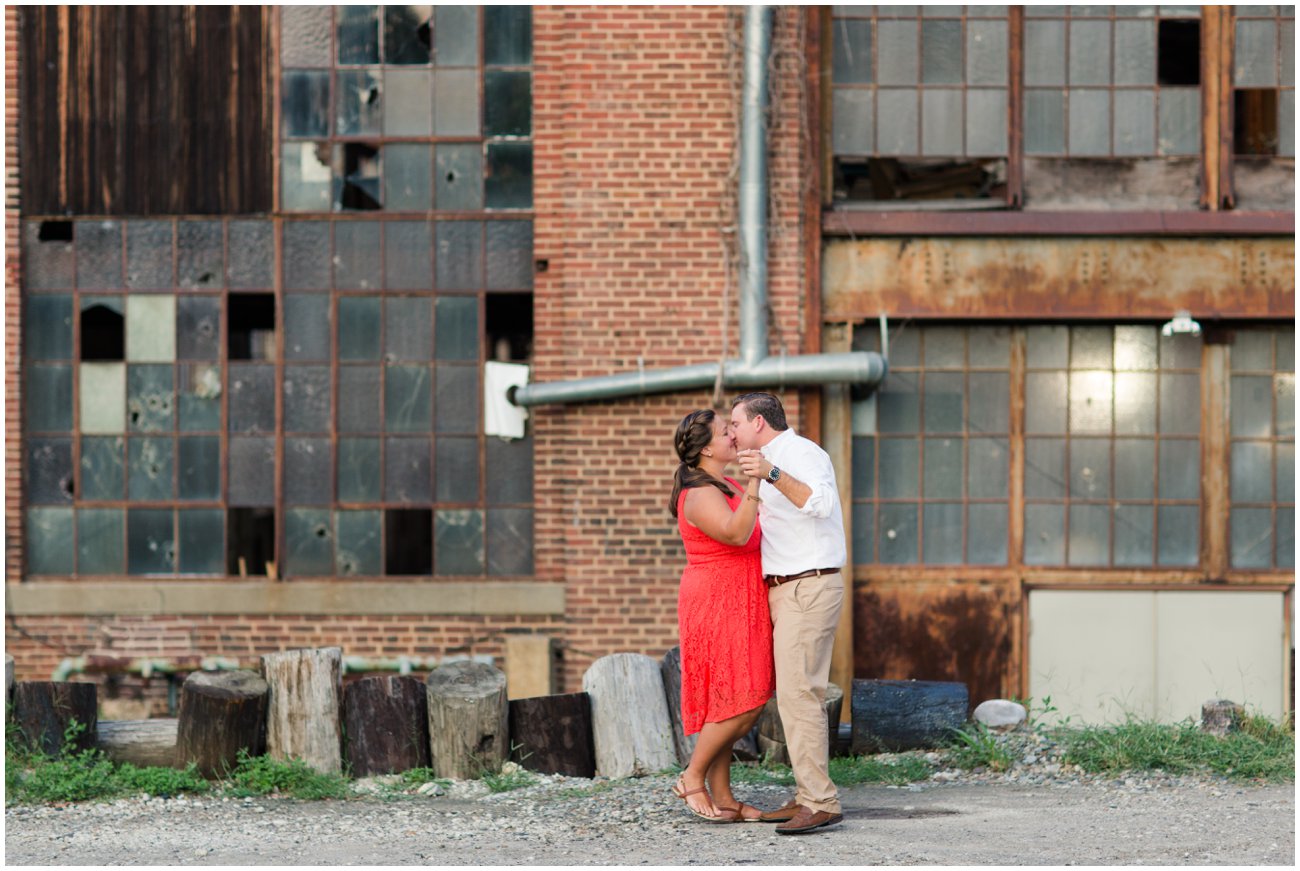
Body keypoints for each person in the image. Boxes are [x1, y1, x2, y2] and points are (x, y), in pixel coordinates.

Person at [731, 392, 846, 835]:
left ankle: (821, 802)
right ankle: (806, 793)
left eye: (737, 423)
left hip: (808, 585)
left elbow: (821, 503)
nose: (733, 432)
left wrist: (771, 473)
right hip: (785, 588)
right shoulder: (762, 461)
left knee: (801, 696)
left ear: (759, 423)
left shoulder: (802, 454)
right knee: (795, 696)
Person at [669, 408, 775, 823]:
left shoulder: (722, 482)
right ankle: (692, 777)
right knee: (745, 698)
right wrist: (755, 480)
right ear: (706, 448)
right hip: (717, 600)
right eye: (724, 431)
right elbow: (736, 533)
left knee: (731, 696)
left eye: (733, 427)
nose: (732, 435)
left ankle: (726, 799)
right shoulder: (699, 493)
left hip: (740, 594)